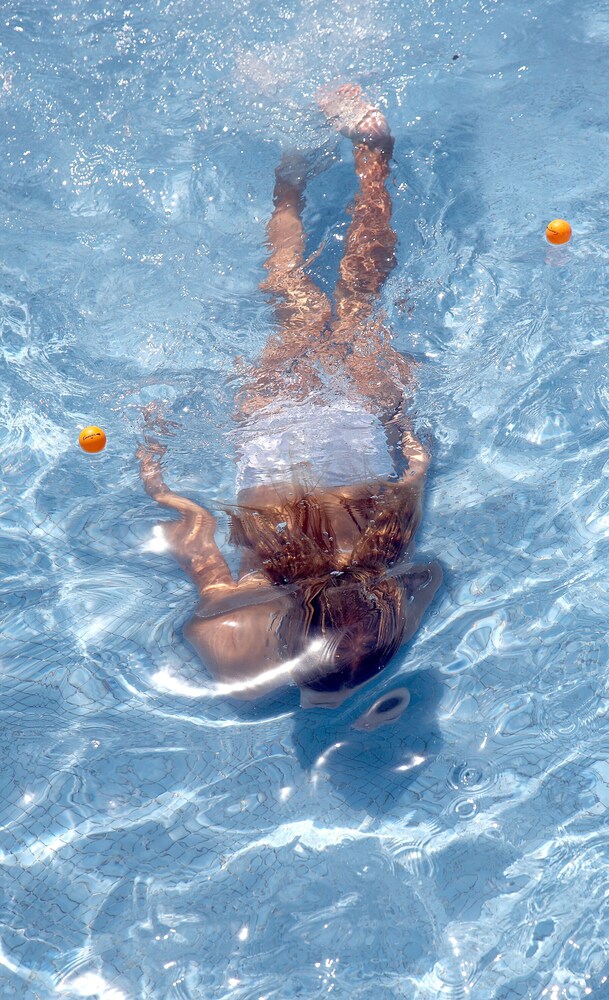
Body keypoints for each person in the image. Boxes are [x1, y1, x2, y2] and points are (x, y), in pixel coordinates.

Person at [138, 85, 441, 708]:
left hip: (344, 423)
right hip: (277, 429)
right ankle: (300, 172)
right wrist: (160, 486)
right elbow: (194, 535)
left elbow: (414, 473)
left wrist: (405, 438)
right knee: (305, 305)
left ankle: (357, 156)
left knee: (353, 303)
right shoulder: (247, 623)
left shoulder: (390, 569)